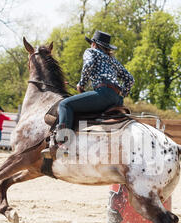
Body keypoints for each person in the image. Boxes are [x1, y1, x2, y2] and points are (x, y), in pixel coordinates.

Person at [42, 30, 135, 158]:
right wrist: (123, 93)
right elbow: (130, 79)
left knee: (65, 105)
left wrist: (82, 84)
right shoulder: (113, 60)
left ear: (94, 44)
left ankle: (62, 143)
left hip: (103, 94)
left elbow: (89, 64)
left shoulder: (90, 52)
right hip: (117, 100)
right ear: (107, 47)